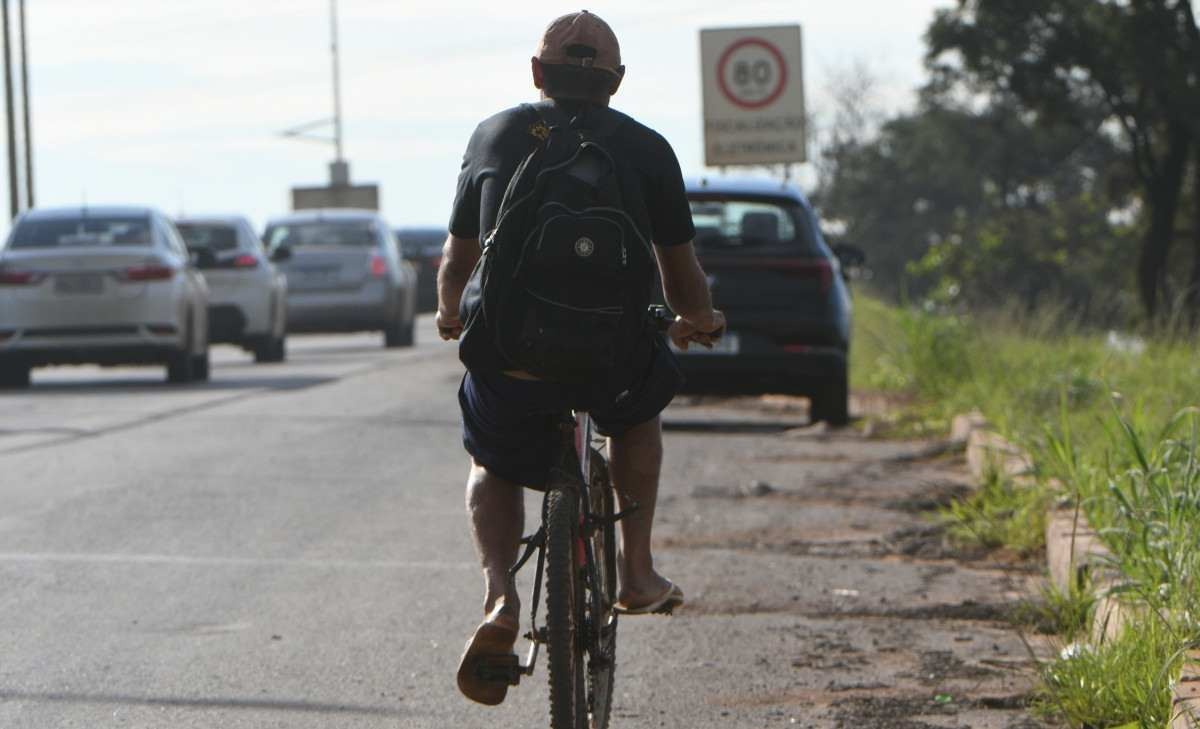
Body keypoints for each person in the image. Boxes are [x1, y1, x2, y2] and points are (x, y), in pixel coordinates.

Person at [436, 10, 725, 706]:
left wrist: (450, 314)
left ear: (538, 74)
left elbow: (458, 260)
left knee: (492, 458)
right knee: (639, 417)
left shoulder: (495, 135)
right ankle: (637, 571)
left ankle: (501, 597)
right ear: (615, 83)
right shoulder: (648, 149)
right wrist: (698, 318)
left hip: (512, 357)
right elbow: (680, 272)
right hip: (615, 358)